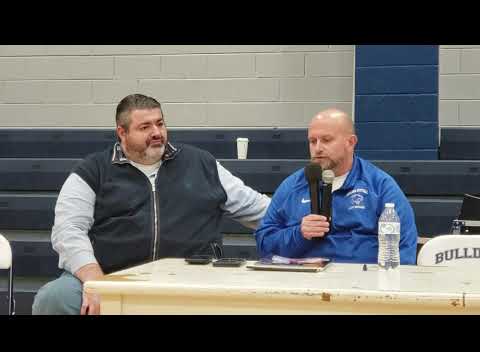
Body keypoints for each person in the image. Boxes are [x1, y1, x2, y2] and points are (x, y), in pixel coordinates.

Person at [32, 94, 271, 315]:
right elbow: (68, 231)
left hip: (190, 279)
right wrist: (96, 283)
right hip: (111, 277)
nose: (157, 132)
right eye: (145, 127)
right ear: (121, 132)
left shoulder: (201, 163)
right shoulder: (92, 171)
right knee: (55, 298)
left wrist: (300, 221)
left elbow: (259, 209)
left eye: (160, 123)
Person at [255, 108, 417, 264]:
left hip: (360, 282)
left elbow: (403, 249)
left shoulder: (379, 186)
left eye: (326, 140)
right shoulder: (292, 186)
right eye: (312, 141)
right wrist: (299, 233)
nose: (317, 148)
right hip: (304, 281)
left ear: (350, 142)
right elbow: (264, 244)